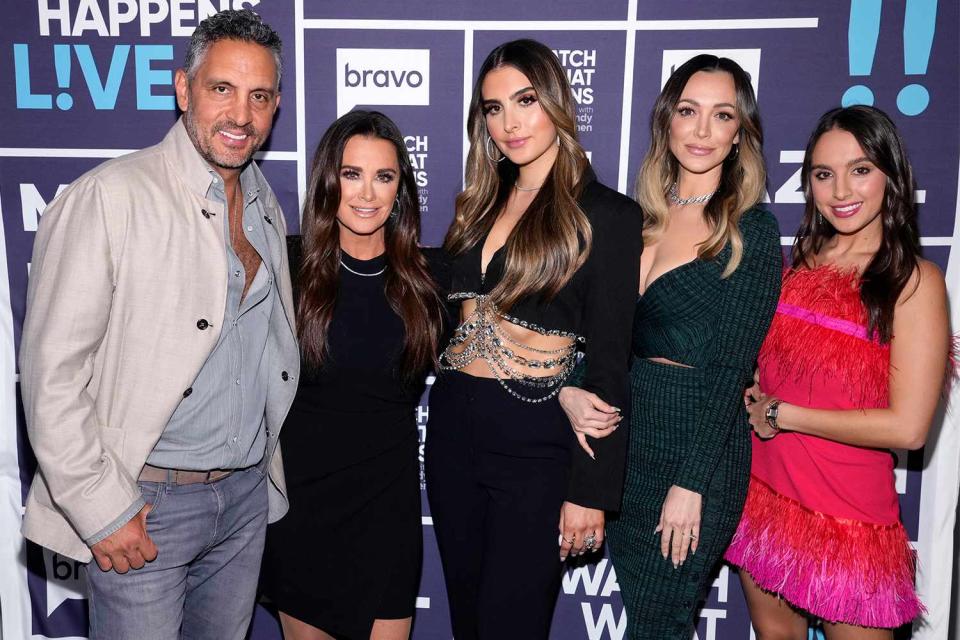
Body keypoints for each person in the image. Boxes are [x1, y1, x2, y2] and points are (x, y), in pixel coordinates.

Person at [18, 10, 298, 639]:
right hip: (143, 505)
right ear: (182, 89)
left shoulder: (263, 204)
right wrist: (102, 509)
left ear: (276, 106)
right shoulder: (110, 197)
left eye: (259, 97)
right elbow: (50, 376)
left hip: (244, 498)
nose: (240, 115)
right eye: (221, 89)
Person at [424, 39, 643, 639]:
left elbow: (609, 363)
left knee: (511, 625)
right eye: (493, 108)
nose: (509, 122)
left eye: (524, 101)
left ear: (555, 102)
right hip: (452, 434)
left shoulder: (608, 216)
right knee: (468, 620)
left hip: (537, 449)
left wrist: (590, 491)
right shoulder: (475, 206)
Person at [559, 54, 781, 639]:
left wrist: (692, 485)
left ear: (740, 133)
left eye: (722, 115)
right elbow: (603, 342)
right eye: (689, 111)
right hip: (625, 443)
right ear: (667, 121)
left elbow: (732, 368)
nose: (703, 131)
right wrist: (569, 391)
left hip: (696, 450)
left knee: (659, 621)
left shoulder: (751, 230)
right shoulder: (636, 222)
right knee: (653, 618)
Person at [725, 105, 949, 639]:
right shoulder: (801, 261)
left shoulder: (914, 282)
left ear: (892, 176)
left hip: (850, 524)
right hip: (767, 500)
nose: (841, 190)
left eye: (861, 169)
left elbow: (908, 428)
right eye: (824, 174)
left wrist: (785, 413)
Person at [260, 110, 445, 640]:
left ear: (400, 189)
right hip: (301, 509)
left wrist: (568, 387)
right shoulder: (287, 267)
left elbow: (507, 343)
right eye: (351, 174)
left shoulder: (429, 280)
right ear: (327, 181)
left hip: (387, 509)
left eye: (383, 177)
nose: (367, 193)